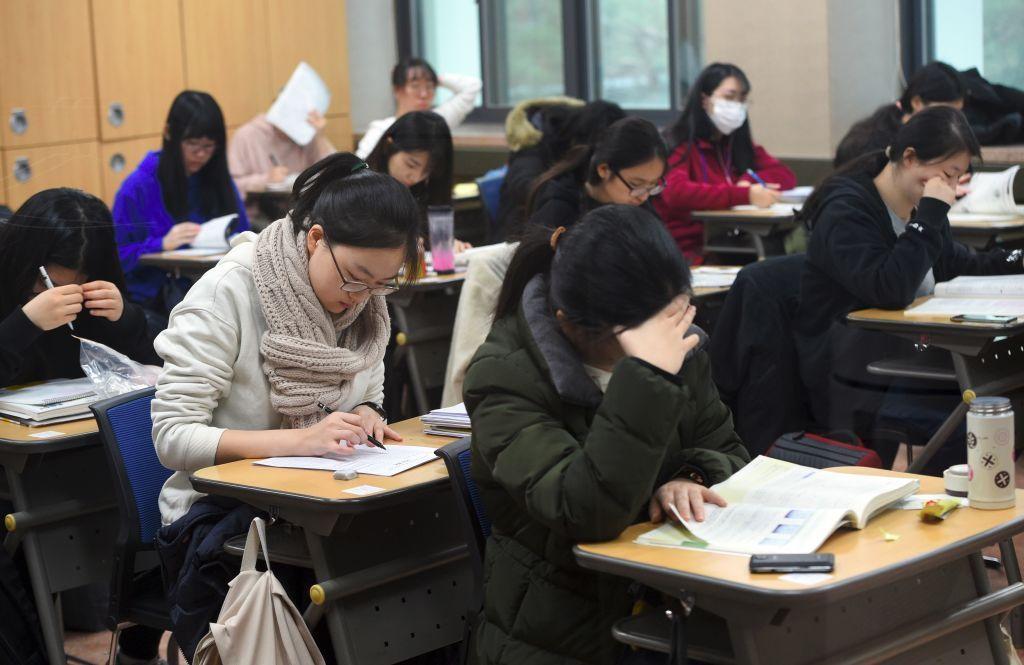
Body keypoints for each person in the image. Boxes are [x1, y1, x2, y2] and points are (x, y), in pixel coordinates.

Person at [151, 152, 422, 659]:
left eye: (381, 283)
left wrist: (369, 414)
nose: (363, 296)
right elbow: (173, 437)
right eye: (355, 277)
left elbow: (370, 393)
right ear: (316, 238)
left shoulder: (366, 308)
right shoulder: (229, 292)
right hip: (227, 515)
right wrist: (301, 440)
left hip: (319, 497)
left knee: (420, 540)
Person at [463, 205, 749, 664]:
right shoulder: (503, 377)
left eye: (672, 313)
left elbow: (728, 450)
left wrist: (692, 477)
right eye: (643, 330)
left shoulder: (675, 347)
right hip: (565, 628)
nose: (667, 334)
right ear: (571, 324)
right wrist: (648, 377)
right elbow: (584, 511)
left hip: (670, 594)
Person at [796, 106, 1023, 471]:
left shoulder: (918, 209)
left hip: (911, 350)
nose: (949, 188)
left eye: (958, 178)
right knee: (984, 393)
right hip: (858, 365)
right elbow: (890, 288)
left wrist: (1017, 259)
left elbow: (959, 262)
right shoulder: (847, 210)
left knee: (1002, 385)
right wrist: (932, 212)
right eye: (947, 175)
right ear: (910, 157)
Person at [0, 188, 161, 665]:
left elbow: (162, 352)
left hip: (78, 446)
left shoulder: (96, 293)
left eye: (82, 278)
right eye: (51, 279)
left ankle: (141, 636)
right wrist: (24, 323)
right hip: (18, 460)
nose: (68, 289)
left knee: (165, 486)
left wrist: (128, 318)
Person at [112, 91, 249, 326]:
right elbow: (115, 256)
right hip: (158, 302)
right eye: (192, 144)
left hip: (217, 293)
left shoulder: (217, 179)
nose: (201, 154)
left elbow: (244, 235)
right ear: (168, 134)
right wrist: (160, 244)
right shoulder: (139, 186)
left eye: (209, 146)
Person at [656, 63, 796, 263]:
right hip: (686, 249)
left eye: (742, 99)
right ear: (704, 99)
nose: (737, 105)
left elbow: (784, 174)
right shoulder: (679, 143)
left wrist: (748, 181)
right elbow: (676, 192)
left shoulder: (735, 144)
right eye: (729, 97)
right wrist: (744, 194)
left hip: (731, 241)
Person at [497, 99, 626, 238]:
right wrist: (566, 191)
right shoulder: (533, 142)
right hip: (518, 235)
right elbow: (526, 185)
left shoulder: (581, 126)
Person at [523, 116, 668, 233]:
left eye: (652, 185)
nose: (644, 196)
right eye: (636, 184)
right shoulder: (559, 208)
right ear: (604, 170)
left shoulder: (637, 202)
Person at [834, 61, 965, 168]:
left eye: (957, 113)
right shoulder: (876, 144)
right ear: (917, 102)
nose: (951, 121)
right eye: (945, 113)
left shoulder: (935, 134)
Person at [356, 57, 482, 159]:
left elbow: (472, 86)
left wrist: (432, 77)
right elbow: (359, 167)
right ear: (397, 90)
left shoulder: (437, 121)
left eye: (429, 86)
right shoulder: (381, 129)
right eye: (415, 86)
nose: (424, 94)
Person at [228, 108, 335, 196]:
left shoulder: (306, 134)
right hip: (262, 214)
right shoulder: (246, 136)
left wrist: (319, 136)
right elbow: (231, 185)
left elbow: (335, 170)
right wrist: (265, 180)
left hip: (303, 207)